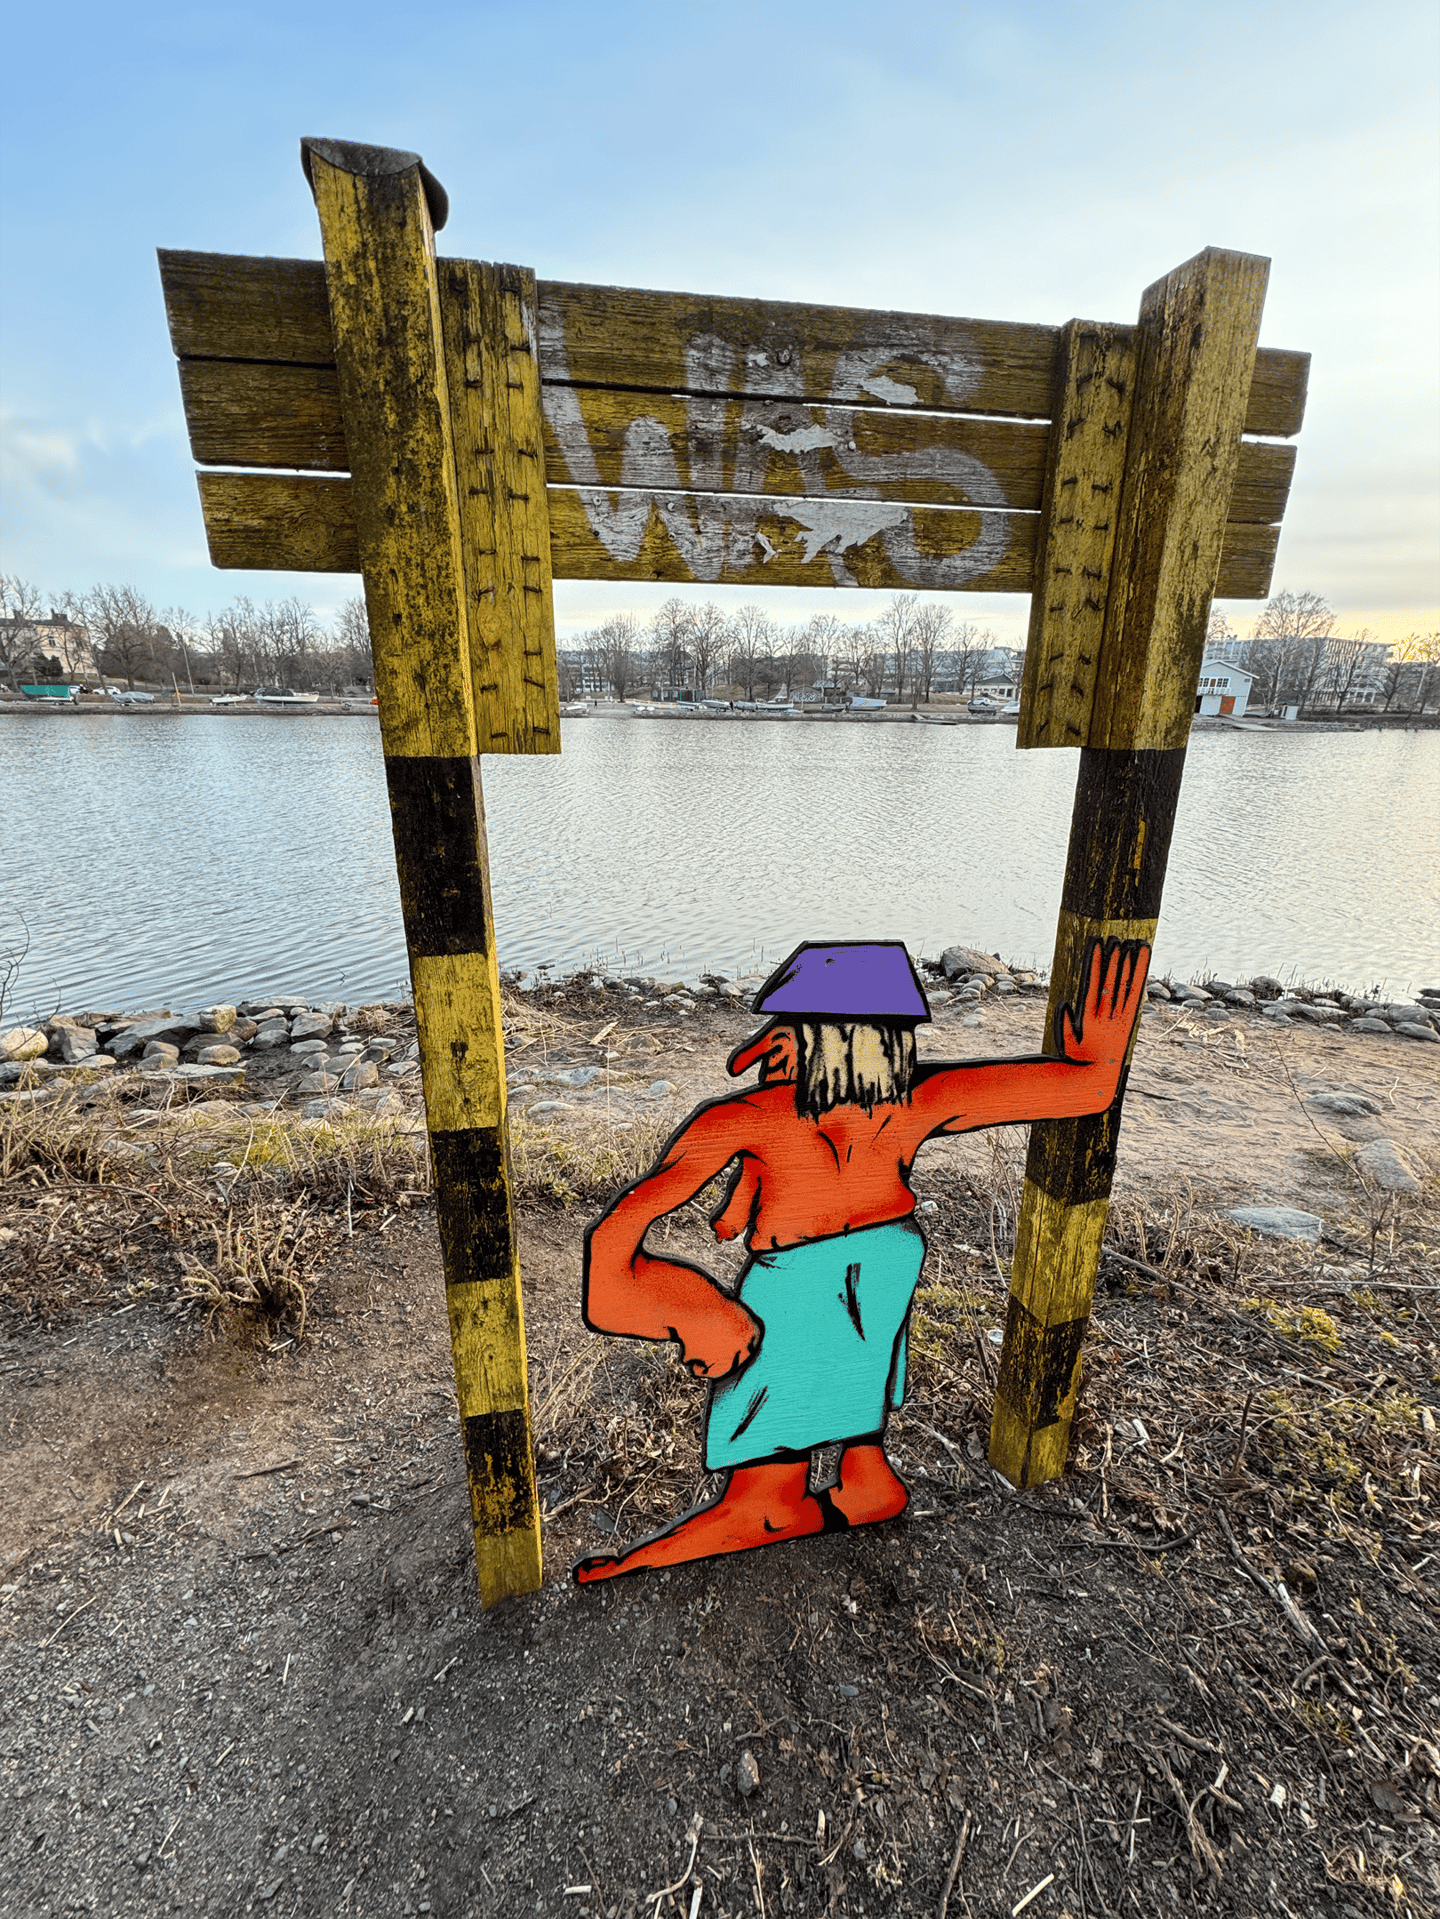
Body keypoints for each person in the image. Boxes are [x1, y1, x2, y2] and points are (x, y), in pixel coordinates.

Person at [574, 936, 1149, 1583]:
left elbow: (614, 1241)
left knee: (766, 1485)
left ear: (809, 1037)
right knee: (848, 1372)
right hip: (883, 1264)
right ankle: (862, 1472)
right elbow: (1085, 1089)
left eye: (790, 1025)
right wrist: (1100, 1057)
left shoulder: (750, 1117)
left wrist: (692, 1310)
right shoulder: (915, 1099)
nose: (775, 1041)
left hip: (801, 1283)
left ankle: (785, 1499)